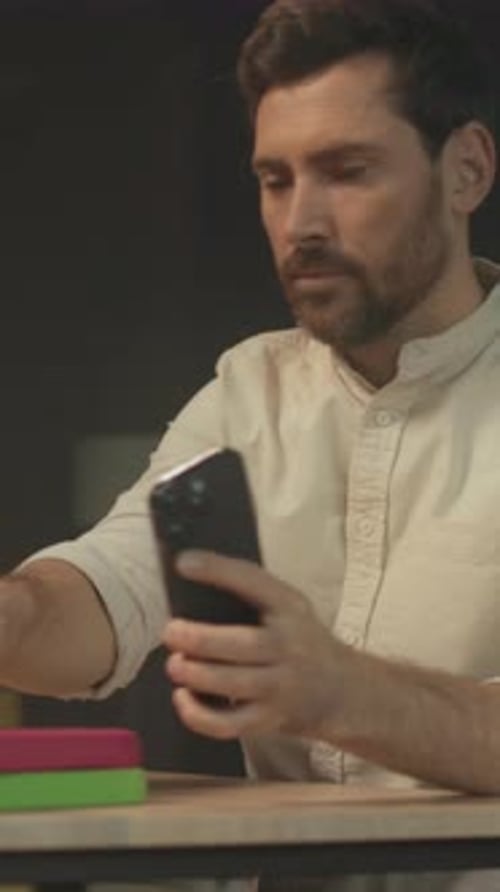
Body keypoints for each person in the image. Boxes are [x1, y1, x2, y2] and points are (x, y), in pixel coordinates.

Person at [3, 0, 500, 888]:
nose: (301, 222)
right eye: (275, 180)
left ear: (465, 170)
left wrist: (342, 690)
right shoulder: (251, 387)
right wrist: (15, 614)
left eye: (346, 171)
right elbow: (106, 591)